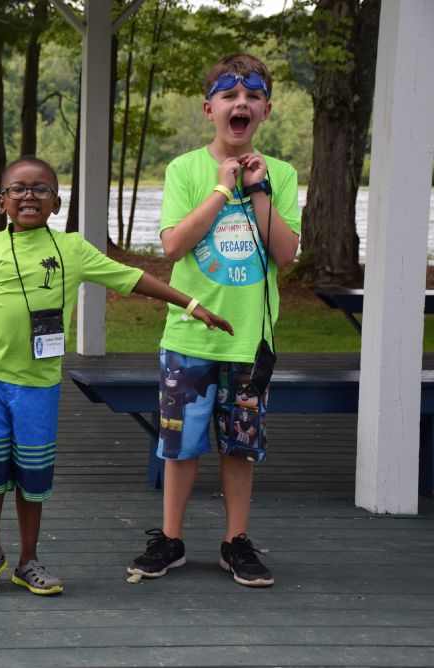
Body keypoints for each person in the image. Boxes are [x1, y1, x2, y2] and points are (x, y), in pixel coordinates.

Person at [0, 155, 233, 597]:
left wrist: (190, 304)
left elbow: (131, 278)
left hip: (39, 386)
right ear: (2, 202)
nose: (29, 196)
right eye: (18, 189)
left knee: (33, 474)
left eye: (41, 189)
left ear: (56, 203)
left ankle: (28, 560)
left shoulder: (72, 249)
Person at [126, 53, 301, 588]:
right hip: (190, 336)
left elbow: (285, 253)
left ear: (266, 110)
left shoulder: (281, 174)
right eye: (229, 96)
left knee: (241, 445)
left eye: (252, 96)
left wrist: (258, 189)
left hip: (250, 341)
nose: (240, 103)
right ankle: (171, 538)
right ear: (209, 109)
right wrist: (223, 189)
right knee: (179, 444)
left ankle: (235, 541)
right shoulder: (185, 170)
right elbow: (173, 245)